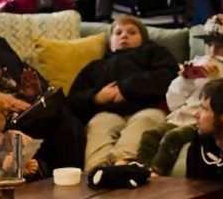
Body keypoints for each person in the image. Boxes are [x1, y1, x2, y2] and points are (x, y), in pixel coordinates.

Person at [136, 14, 223, 176]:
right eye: (209, 44)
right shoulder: (198, 63)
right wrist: (184, 80)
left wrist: (217, 79)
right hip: (182, 117)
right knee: (150, 135)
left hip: (208, 122)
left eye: (220, 46)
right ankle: (139, 172)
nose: (213, 52)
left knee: (173, 137)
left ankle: (156, 176)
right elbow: (174, 103)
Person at [68, 15, 178, 170]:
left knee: (146, 121)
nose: (124, 36)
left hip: (147, 108)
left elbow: (168, 77)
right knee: (98, 125)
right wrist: (96, 97)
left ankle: (122, 166)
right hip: (107, 112)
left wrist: (126, 88)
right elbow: (73, 98)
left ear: (143, 38)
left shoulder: (155, 53)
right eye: (118, 33)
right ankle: (95, 171)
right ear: (110, 41)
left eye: (132, 32)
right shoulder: (97, 66)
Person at [0, 35, 86, 172]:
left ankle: (71, 187)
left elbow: (26, 72)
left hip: (29, 112)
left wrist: (31, 94)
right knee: (64, 126)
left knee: (67, 122)